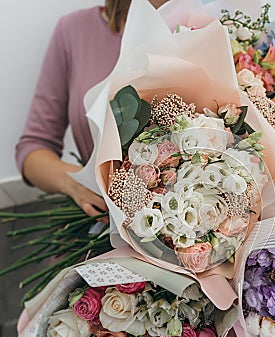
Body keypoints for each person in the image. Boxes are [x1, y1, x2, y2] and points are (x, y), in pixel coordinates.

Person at [15, 0, 168, 218]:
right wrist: (77, 184)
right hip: (99, 231)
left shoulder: (211, 27)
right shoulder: (75, 29)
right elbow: (33, 149)